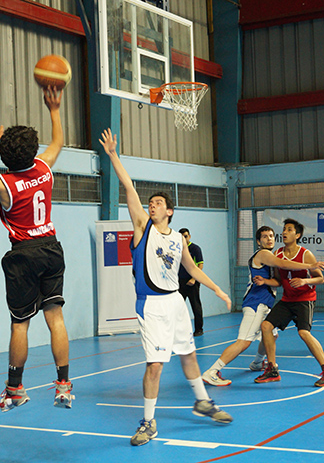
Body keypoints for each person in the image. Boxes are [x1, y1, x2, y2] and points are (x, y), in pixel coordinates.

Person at [99, 128, 233, 447]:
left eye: (158, 203)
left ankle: (202, 401)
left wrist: (217, 290)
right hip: (151, 305)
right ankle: (148, 422)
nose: (152, 205)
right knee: (155, 365)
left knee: (189, 354)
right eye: (151, 203)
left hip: (175, 303)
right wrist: (113, 155)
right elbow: (129, 187)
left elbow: (192, 269)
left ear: (169, 211)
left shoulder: (177, 239)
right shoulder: (142, 228)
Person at [0, 87, 74, 412]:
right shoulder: (44, 169)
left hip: (23, 254)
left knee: (20, 324)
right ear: (33, 151)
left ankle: (15, 389)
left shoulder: (6, 185)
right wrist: (54, 110)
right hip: (51, 248)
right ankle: (63, 385)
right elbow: (58, 142)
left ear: (6, 156)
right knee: (55, 317)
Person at [201, 226, 324, 386]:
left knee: (270, 334)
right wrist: (310, 266)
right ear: (258, 241)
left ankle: (257, 363)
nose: (269, 239)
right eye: (264, 237)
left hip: (265, 304)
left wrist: (266, 281)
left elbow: (277, 281)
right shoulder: (264, 254)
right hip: (256, 304)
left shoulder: (271, 255)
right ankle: (212, 371)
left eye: (271, 236)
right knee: (243, 341)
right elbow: (283, 264)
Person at [254, 218, 324, 387]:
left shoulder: (306, 254)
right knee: (266, 326)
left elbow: (320, 279)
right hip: (287, 300)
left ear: (297, 235)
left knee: (304, 333)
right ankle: (272, 369)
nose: (284, 232)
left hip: (305, 300)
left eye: (289, 230)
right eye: (284, 229)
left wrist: (305, 281)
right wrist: (265, 281)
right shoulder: (277, 254)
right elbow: (278, 281)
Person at [178, 228, 205, 336]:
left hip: (192, 282)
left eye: (185, 236)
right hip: (180, 282)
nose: (184, 238)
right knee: (178, 307)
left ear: (189, 236)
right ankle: (178, 330)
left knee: (195, 306)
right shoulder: (177, 249)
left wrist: (194, 278)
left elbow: (200, 265)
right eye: (181, 237)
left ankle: (199, 329)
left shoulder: (195, 249)